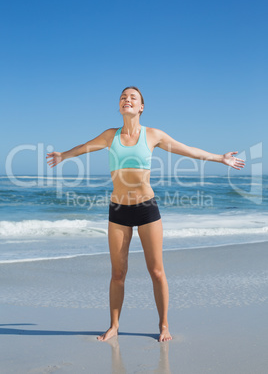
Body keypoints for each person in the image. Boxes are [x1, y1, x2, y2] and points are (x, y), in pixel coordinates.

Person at [46, 86, 245, 342]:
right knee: (117, 274)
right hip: (118, 210)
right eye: (123, 98)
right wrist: (63, 155)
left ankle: (164, 326)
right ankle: (114, 326)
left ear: (141, 107)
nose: (126, 100)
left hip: (146, 208)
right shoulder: (110, 136)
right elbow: (84, 147)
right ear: (119, 106)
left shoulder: (152, 135)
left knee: (157, 271)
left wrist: (220, 158)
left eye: (132, 98)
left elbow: (187, 150)